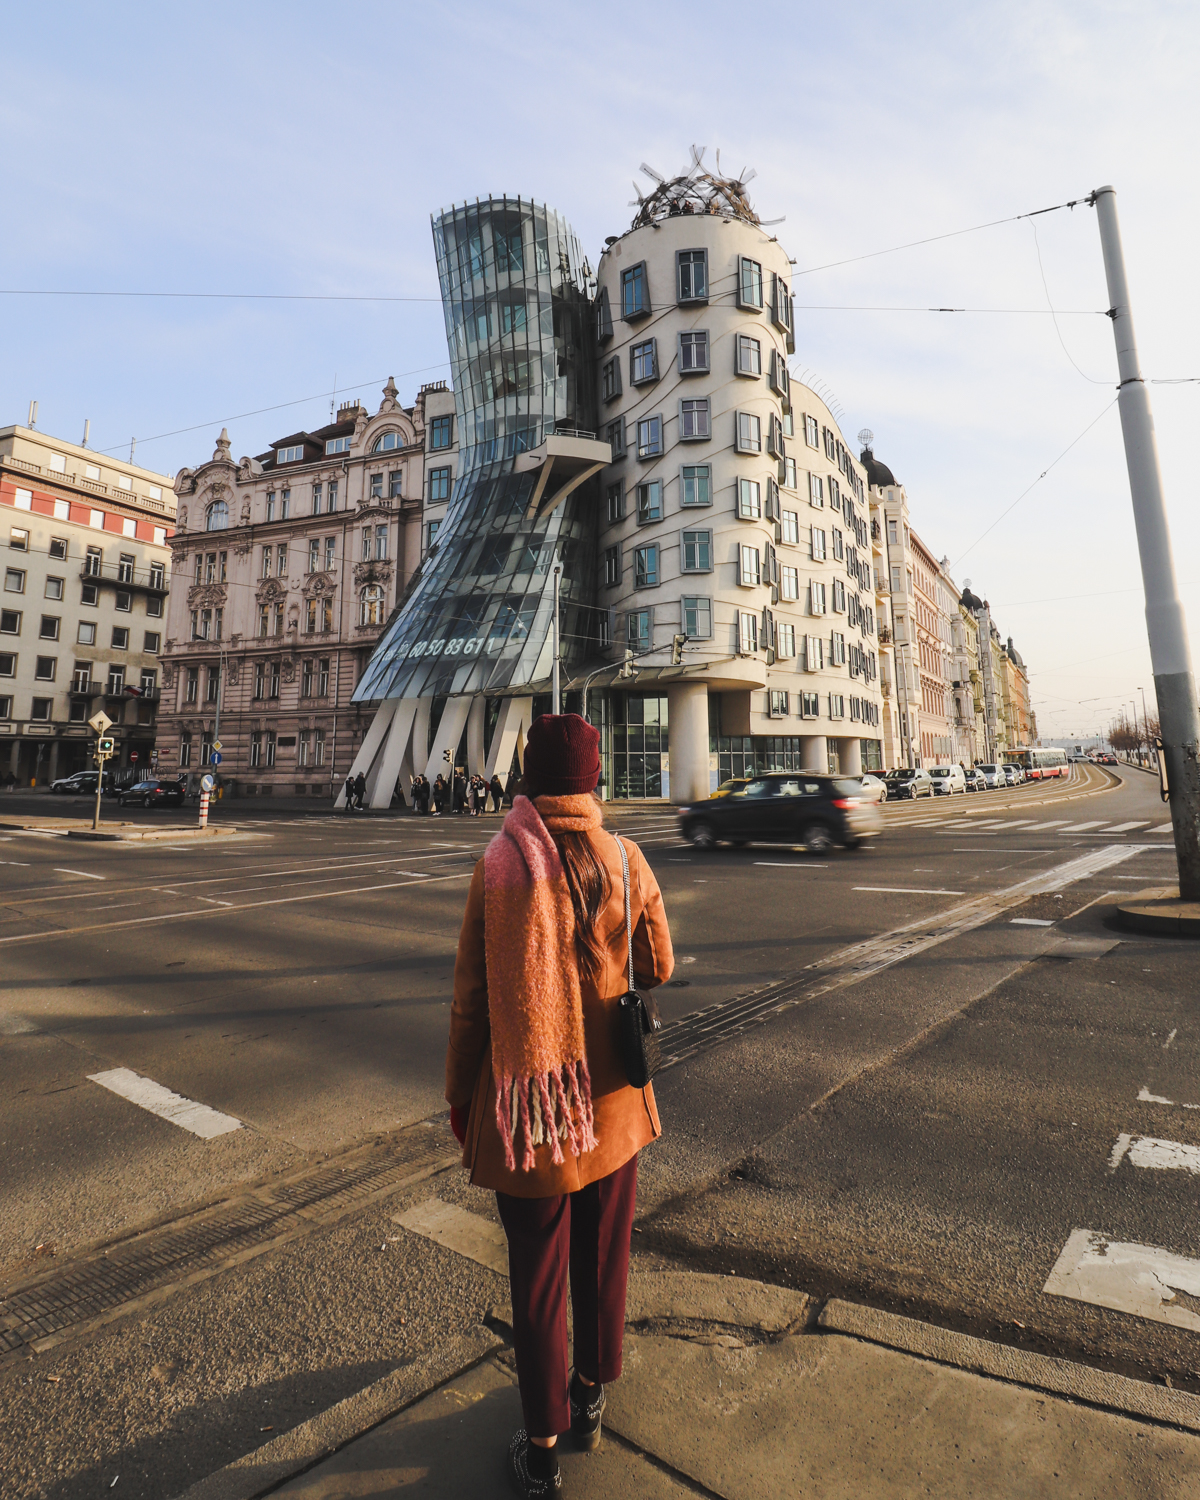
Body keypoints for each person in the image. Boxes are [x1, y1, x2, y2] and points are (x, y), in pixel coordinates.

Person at [446, 714, 673, 1496]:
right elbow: (660, 964)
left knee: (536, 1275)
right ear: (594, 779)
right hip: (608, 1104)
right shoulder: (626, 856)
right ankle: (590, 1395)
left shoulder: (499, 861)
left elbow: (471, 1004)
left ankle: (540, 1448)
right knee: (603, 1254)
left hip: (529, 1109)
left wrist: (459, 1097)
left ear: (530, 781)